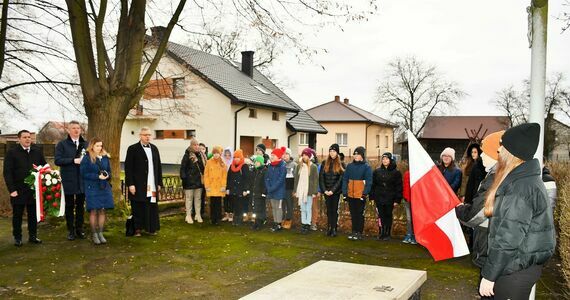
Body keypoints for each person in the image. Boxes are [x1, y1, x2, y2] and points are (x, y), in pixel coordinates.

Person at [479, 123, 555, 299]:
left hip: (514, 271)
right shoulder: (524, 180)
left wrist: (489, 276)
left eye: (502, 146)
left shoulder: (520, 188)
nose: (498, 151)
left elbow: (507, 238)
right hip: (516, 266)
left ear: (511, 152)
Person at [455, 130, 503, 298]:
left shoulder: (495, 177)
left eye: (484, 152)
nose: (481, 156)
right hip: (494, 245)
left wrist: (459, 209)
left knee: (488, 292)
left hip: (490, 246)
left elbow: (476, 214)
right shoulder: (498, 174)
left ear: (494, 154)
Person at [3, 130, 47, 246]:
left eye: (29, 137)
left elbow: (45, 167)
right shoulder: (12, 153)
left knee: (33, 215)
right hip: (18, 190)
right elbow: (7, 173)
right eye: (25, 137)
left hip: (34, 190)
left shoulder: (37, 151)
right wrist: (12, 190)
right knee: (17, 215)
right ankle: (17, 237)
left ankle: (33, 236)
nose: (28, 139)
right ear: (19, 139)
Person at [125, 127, 163, 236]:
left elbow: (158, 167)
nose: (147, 137)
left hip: (152, 184)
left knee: (151, 206)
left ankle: (151, 228)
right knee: (138, 206)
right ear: (140, 136)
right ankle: (138, 229)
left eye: (149, 135)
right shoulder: (133, 149)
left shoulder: (154, 149)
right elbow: (128, 168)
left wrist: (159, 183)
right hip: (138, 184)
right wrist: (131, 184)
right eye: (145, 135)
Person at [55, 120, 88, 240]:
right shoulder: (62, 144)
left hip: (82, 180)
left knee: (80, 206)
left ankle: (80, 230)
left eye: (78, 128)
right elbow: (57, 161)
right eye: (73, 128)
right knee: (69, 206)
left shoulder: (86, 144)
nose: (76, 130)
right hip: (68, 180)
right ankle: (70, 231)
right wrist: (72, 160)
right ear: (68, 130)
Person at [80, 138, 114, 245]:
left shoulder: (105, 158)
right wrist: (97, 176)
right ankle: (94, 234)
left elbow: (109, 171)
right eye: (97, 146)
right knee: (94, 210)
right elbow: (83, 173)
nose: (99, 148)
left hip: (104, 187)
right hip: (92, 187)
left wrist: (107, 175)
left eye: (101, 146)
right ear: (92, 146)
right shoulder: (86, 158)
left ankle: (100, 233)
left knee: (103, 210)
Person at [342, 146, 373, 241]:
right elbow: (345, 179)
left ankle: (359, 232)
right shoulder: (349, 166)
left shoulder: (366, 167)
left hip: (360, 195)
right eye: (354, 154)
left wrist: (365, 193)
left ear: (362, 155)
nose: (355, 156)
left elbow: (369, 182)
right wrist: (344, 193)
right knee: (353, 214)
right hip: (351, 194)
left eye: (358, 154)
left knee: (360, 214)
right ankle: (354, 231)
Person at [371, 152, 402, 241]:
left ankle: (387, 233)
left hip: (390, 198)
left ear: (390, 160)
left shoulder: (396, 172)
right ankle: (381, 232)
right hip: (379, 197)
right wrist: (372, 197)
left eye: (386, 159)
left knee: (388, 215)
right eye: (383, 159)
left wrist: (397, 199)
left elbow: (398, 186)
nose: (384, 160)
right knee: (381, 215)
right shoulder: (377, 171)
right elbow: (373, 185)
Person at [319, 144, 344, 237]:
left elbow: (340, 179)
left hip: (335, 192)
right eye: (330, 151)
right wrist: (324, 190)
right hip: (326, 191)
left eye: (333, 151)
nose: (332, 153)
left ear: (337, 152)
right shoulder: (324, 163)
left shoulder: (341, 164)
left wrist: (333, 190)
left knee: (334, 210)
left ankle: (334, 228)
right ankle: (329, 227)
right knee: (328, 210)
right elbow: (321, 177)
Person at [179, 138, 207, 224]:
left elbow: (203, 168)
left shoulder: (200, 155)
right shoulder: (187, 155)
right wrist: (185, 179)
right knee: (189, 199)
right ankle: (188, 215)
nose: (197, 146)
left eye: (197, 145)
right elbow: (182, 168)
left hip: (199, 181)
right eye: (194, 145)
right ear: (191, 145)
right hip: (189, 182)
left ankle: (198, 215)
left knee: (198, 199)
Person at [294, 148, 319, 234]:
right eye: (303, 155)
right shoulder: (299, 166)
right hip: (301, 191)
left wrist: (314, 192)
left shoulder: (313, 167)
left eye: (306, 155)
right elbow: (296, 179)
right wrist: (295, 190)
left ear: (309, 156)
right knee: (302, 208)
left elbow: (315, 180)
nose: (304, 157)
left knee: (308, 208)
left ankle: (308, 224)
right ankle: (303, 223)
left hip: (309, 191)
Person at [265, 147, 287, 232]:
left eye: (273, 155)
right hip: (271, 190)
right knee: (273, 207)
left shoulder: (282, 166)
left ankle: (278, 224)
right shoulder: (270, 165)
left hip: (278, 191)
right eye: (271, 155)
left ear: (278, 156)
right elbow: (266, 178)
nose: (272, 157)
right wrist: (268, 187)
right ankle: (275, 222)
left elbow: (281, 180)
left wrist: (272, 188)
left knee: (278, 208)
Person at [226, 149, 251, 225]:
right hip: (233, 189)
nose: (236, 159)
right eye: (235, 157)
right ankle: (235, 219)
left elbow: (247, 179)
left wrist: (245, 190)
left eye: (238, 157)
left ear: (241, 158)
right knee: (234, 205)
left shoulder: (244, 166)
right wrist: (228, 188)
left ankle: (239, 220)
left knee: (240, 205)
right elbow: (229, 178)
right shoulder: (231, 166)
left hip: (240, 190)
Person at [204, 146, 227, 225]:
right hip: (211, 186)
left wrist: (223, 186)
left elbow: (224, 175)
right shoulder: (209, 162)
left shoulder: (223, 163)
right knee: (212, 203)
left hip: (219, 187)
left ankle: (218, 218)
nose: (216, 155)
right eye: (214, 153)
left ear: (220, 154)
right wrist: (207, 186)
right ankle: (213, 218)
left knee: (218, 203)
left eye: (217, 153)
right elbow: (206, 175)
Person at [250, 155, 267, 230]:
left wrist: (264, 192)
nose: (255, 163)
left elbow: (265, 182)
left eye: (257, 162)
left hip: (261, 193)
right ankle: (256, 222)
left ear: (260, 162)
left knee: (260, 208)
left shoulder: (264, 170)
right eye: (255, 162)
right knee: (256, 208)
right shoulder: (256, 170)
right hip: (256, 192)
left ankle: (260, 223)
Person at [282, 148, 297, 230]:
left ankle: (288, 220)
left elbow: (296, 178)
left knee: (289, 204)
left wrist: (294, 190)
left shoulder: (294, 165)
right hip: (282, 188)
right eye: (283, 154)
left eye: (286, 154)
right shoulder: (282, 164)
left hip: (290, 188)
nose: (285, 156)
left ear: (290, 155)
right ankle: (282, 219)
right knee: (282, 205)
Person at [401, 170, 417, 244]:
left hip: (417, 199)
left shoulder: (420, 172)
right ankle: (409, 234)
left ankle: (415, 235)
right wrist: (405, 196)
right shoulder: (407, 173)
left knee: (416, 218)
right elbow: (404, 186)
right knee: (409, 218)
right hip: (407, 199)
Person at [221, 147, 234, 222]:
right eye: (226, 155)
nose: (227, 156)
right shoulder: (222, 163)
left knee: (231, 199)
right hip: (223, 184)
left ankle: (231, 214)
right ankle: (226, 214)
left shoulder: (233, 163)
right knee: (225, 199)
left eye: (229, 155)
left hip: (231, 184)